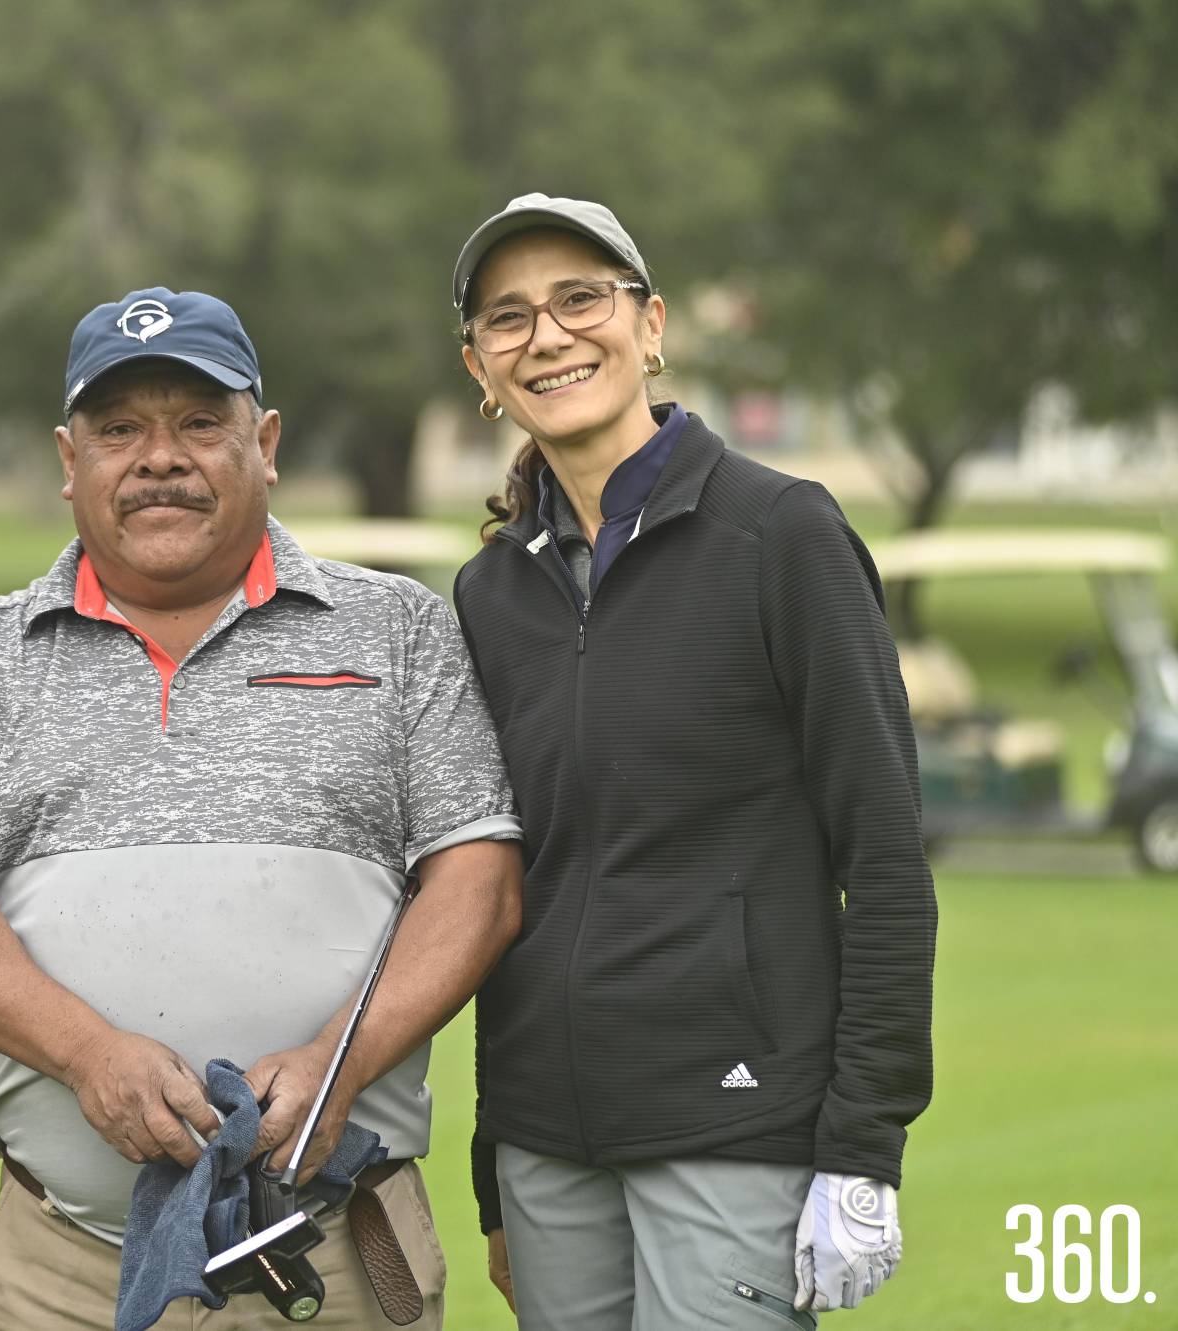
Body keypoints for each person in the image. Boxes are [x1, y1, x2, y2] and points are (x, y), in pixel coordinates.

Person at [0, 286, 524, 1329]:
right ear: (66, 458)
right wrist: (86, 1051)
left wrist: (338, 1063)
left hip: (335, 1257)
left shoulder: (395, 625)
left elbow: (477, 881)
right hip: (63, 1272)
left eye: (198, 424)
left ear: (263, 443)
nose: (158, 457)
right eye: (119, 427)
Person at [447, 194, 937, 1328]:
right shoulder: (489, 592)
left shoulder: (781, 536)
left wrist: (863, 1143)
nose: (548, 335)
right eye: (508, 318)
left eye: (579, 299)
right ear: (479, 365)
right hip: (543, 1146)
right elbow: (499, 888)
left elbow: (885, 858)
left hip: (733, 1124)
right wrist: (490, 1166)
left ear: (649, 324)